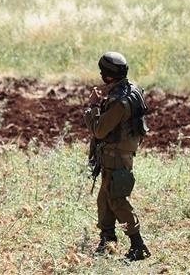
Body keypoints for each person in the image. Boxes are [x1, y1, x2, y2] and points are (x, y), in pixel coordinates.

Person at [84, 52, 151, 261]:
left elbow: (99, 130)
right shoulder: (133, 89)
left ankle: (138, 245)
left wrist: (93, 106)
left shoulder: (119, 101)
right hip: (118, 153)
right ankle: (107, 240)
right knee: (105, 198)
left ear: (108, 76)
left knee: (118, 200)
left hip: (116, 155)